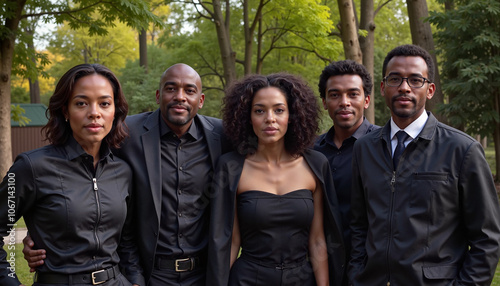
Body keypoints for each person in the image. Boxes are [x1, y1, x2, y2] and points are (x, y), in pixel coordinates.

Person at [22, 63, 231, 285]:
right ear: (158, 95)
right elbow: (75, 173)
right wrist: (41, 232)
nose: (180, 97)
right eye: (171, 89)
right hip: (148, 273)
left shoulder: (223, 136)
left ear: (201, 100)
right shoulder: (124, 132)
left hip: (204, 273)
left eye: (189, 90)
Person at [349, 44, 500, 285]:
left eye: (415, 80)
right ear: (382, 87)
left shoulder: (462, 150)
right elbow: (358, 224)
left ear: (429, 90)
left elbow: (487, 239)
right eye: (395, 79)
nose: (404, 87)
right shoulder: (364, 148)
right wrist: (357, 274)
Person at [0, 64, 144, 286]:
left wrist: (135, 280)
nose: (94, 112)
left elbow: (127, 239)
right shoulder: (30, 167)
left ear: (115, 111)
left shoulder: (123, 171)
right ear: (65, 111)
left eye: (104, 103)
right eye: (81, 103)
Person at [207, 73, 345, 286]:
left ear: (292, 115)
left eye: (279, 110)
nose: (269, 118)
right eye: (259, 110)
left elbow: (317, 241)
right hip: (247, 279)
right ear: (247, 117)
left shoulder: (316, 165)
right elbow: (230, 241)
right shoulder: (231, 167)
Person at [314, 60, 379, 262]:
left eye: (353, 94)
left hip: (370, 267)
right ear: (324, 102)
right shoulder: (311, 152)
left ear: (366, 100)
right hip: (321, 266)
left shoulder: (385, 147)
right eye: (335, 95)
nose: (344, 102)